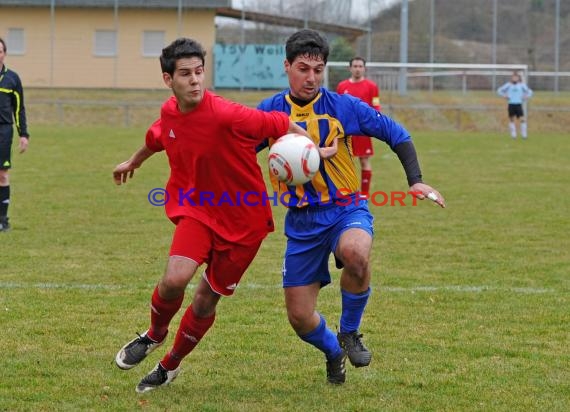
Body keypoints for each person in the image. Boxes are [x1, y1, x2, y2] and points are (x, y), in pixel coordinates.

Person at [112, 37, 309, 393]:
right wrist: (134, 161)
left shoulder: (226, 114)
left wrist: (311, 151)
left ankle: (169, 365)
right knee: (174, 279)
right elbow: (158, 136)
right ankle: (154, 334)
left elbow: (279, 122)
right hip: (198, 210)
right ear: (168, 79)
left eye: (199, 72)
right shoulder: (170, 111)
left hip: (244, 223)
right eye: (185, 74)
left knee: (205, 299)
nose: (195, 80)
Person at [257, 29, 445, 385]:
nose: (311, 77)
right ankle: (332, 351)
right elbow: (237, 149)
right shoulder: (268, 112)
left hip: (346, 207)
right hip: (302, 221)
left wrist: (415, 179)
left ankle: (349, 332)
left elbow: (396, 133)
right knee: (300, 317)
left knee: (356, 253)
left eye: (318, 69)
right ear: (286, 66)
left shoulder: (342, 105)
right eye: (303, 68)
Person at [336, 57, 381, 198]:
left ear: (364, 68)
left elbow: (376, 107)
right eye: (355, 66)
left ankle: (365, 194)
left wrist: (373, 124)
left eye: (360, 66)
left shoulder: (372, 86)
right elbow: (337, 107)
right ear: (350, 68)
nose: (357, 68)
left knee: (364, 160)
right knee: (344, 162)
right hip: (346, 130)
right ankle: (345, 192)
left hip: (362, 130)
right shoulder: (342, 86)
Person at [0, 37, 30, 232]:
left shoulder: (12, 78)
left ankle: (2, 220)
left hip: (3, 130)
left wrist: (23, 134)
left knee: (2, 174)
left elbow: (19, 109)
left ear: (4, 54)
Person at [497, 71, 533, 139]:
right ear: (512, 78)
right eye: (513, 77)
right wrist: (504, 95)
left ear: (518, 78)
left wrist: (526, 96)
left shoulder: (522, 85)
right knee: (511, 119)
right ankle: (513, 135)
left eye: (516, 77)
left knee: (522, 119)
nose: (515, 78)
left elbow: (530, 92)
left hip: (518, 104)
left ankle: (524, 135)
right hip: (511, 104)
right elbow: (499, 91)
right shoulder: (508, 85)